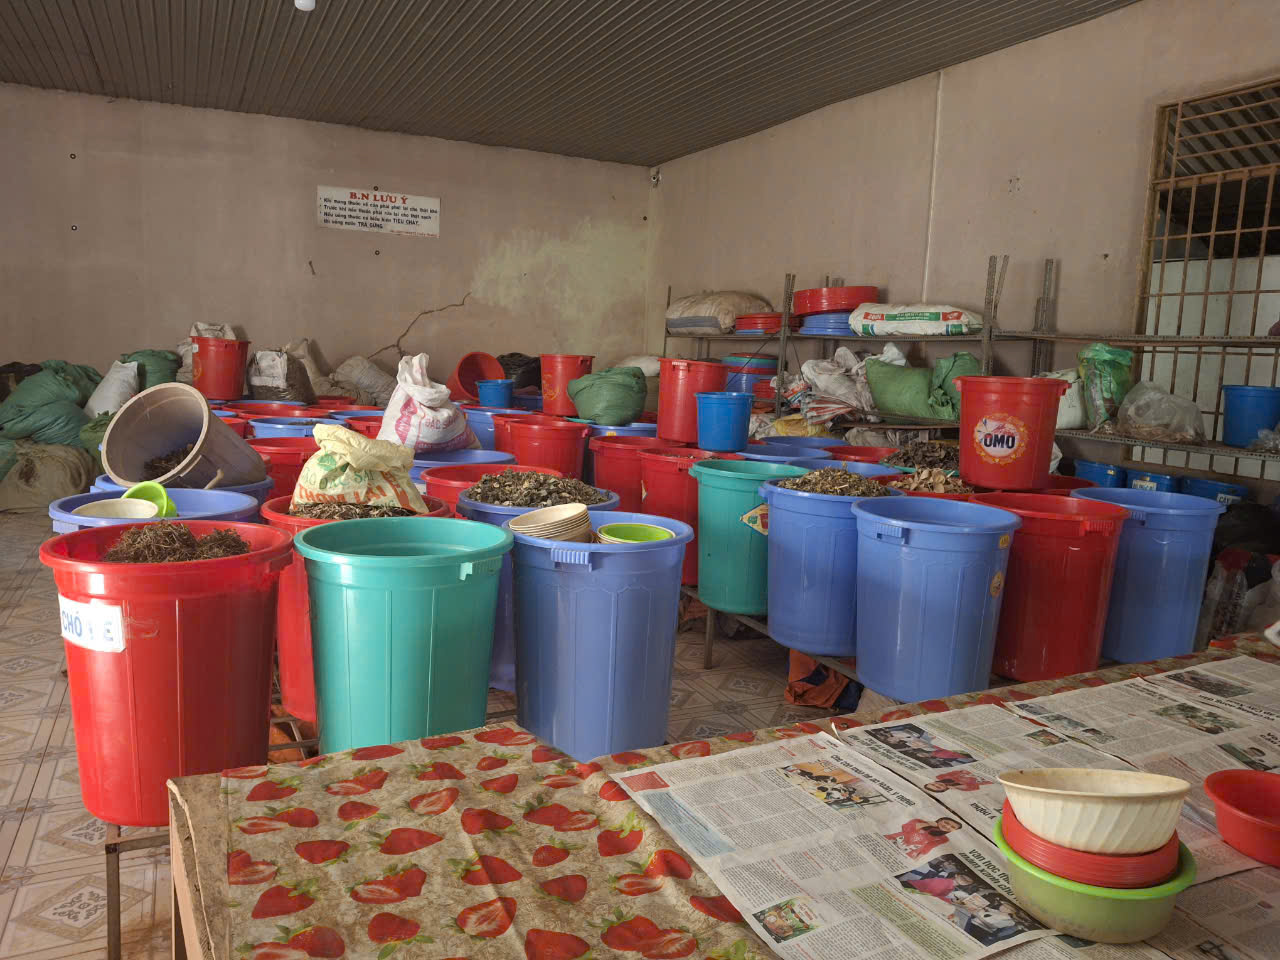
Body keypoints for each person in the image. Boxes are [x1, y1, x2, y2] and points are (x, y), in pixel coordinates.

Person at [885, 818, 963, 859]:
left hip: (907, 853)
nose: (947, 826)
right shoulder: (918, 821)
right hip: (892, 840)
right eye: (946, 822)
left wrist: (916, 859)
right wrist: (927, 824)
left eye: (952, 827)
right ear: (940, 820)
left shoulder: (944, 839)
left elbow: (927, 848)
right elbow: (906, 829)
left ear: (954, 830)